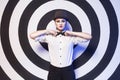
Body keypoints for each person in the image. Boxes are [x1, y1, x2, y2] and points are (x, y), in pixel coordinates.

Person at [30, 10, 92, 80]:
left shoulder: (71, 38)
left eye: (63, 21)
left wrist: (72, 33)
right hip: (53, 70)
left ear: (66, 23)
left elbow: (89, 37)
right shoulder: (49, 37)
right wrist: (47, 31)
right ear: (55, 23)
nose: (60, 23)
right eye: (58, 21)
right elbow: (32, 35)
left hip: (68, 70)